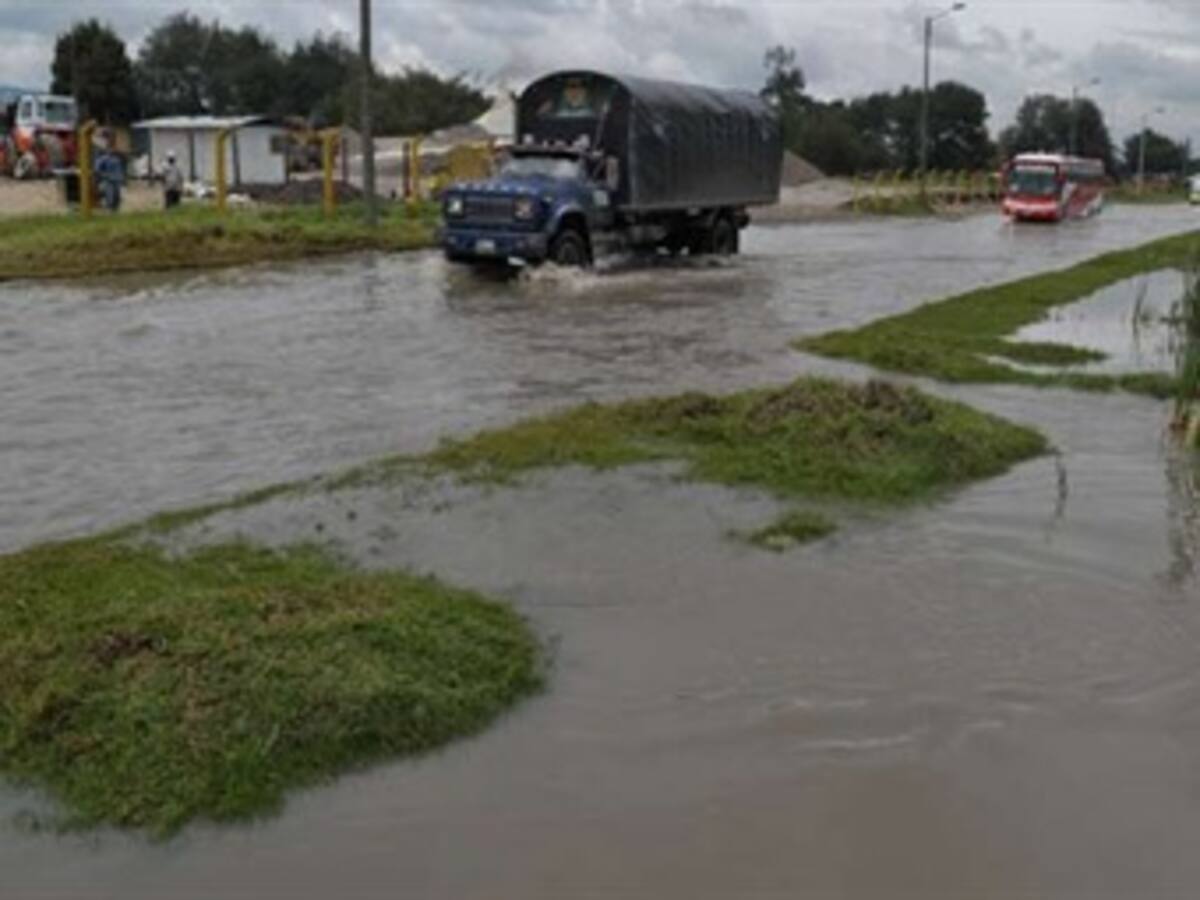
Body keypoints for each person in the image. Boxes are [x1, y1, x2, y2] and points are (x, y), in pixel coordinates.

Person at [93, 143, 124, 212]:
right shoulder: (103, 159)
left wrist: (122, 178)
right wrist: (101, 176)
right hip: (108, 179)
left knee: (117, 194)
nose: (111, 150)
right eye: (109, 149)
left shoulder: (117, 158)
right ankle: (109, 208)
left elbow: (120, 168)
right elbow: (97, 169)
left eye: (112, 148)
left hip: (117, 178)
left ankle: (115, 208)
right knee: (110, 194)